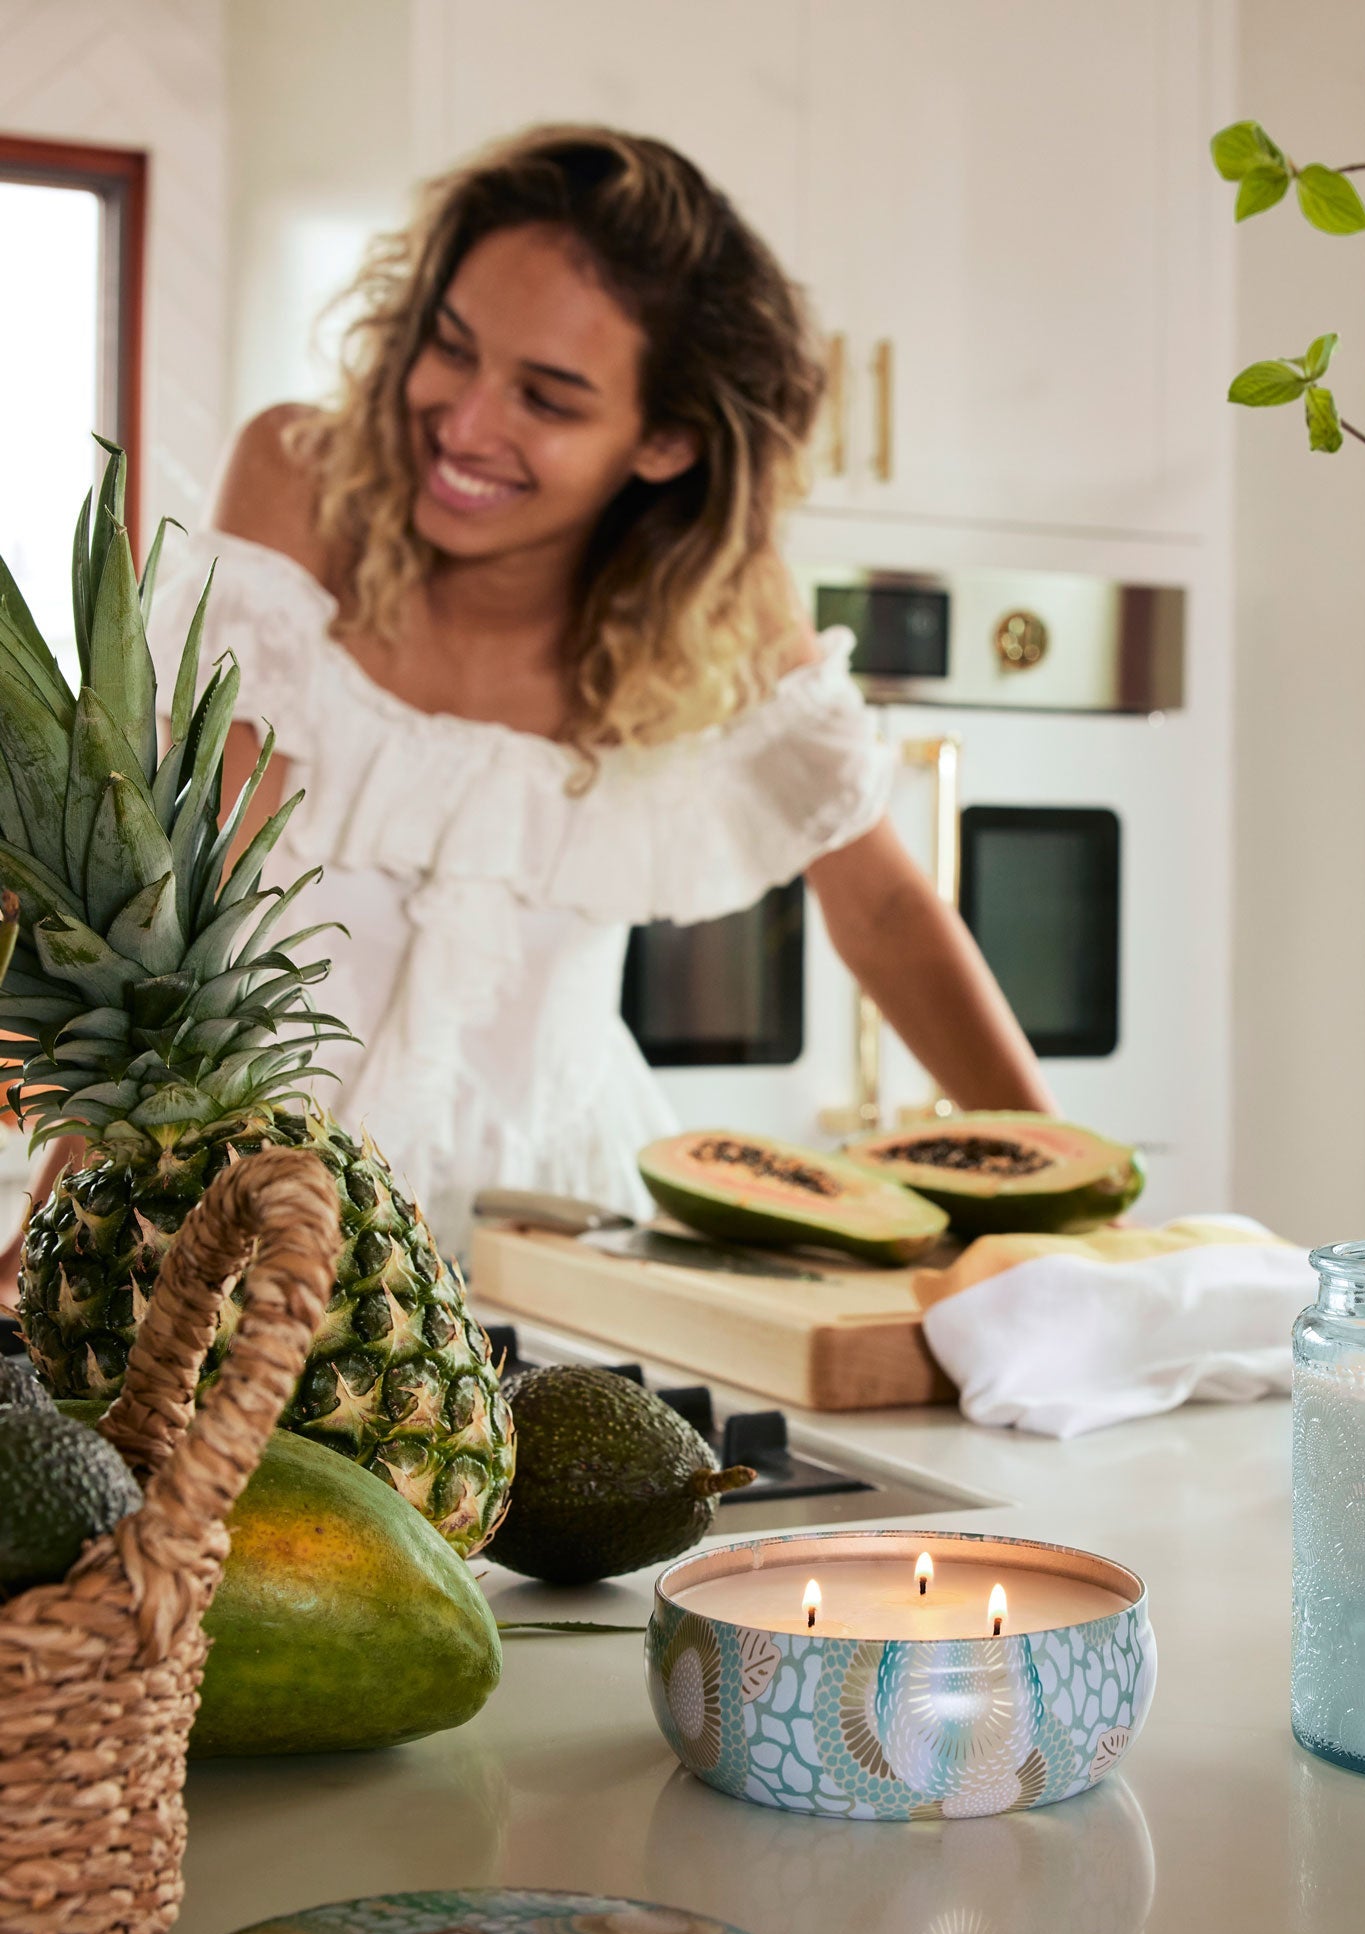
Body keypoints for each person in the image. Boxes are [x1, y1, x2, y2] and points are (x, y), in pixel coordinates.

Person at [2, 125, 1050, 1276]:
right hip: (249, 1203)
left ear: (663, 441)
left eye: (547, 399)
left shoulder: (724, 606)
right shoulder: (302, 477)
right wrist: (70, 1216)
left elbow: (889, 913)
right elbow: (196, 873)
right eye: (452, 348)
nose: (463, 424)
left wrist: (1069, 1202)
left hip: (562, 1233)